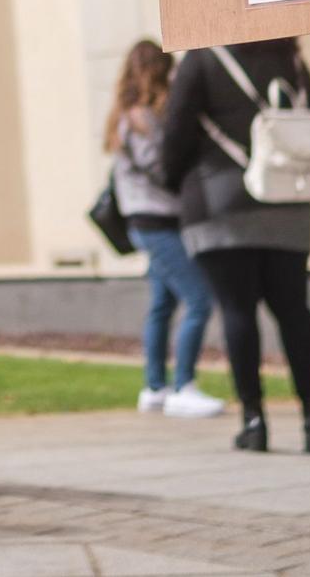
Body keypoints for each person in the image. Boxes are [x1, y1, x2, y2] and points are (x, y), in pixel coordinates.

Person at [158, 40, 310, 453]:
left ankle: (254, 422)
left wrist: (173, 182)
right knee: (294, 310)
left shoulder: (202, 58)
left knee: (238, 311)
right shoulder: (292, 59)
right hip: (286, 200)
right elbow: (309, 120)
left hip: (220, 200)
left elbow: (175, 133)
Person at [106, 40, 222, 418]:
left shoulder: (127, 116)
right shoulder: (141, 118)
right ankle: (183, 386)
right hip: (155, 223)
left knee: (162, 304)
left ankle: (155, 388)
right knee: (200, 299)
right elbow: (162, 168)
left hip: (151, 222)